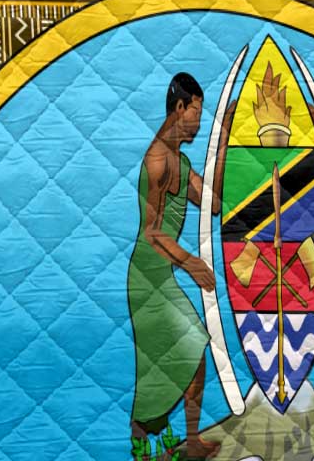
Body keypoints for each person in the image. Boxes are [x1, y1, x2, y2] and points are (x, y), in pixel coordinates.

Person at [127, 72, 229, 461]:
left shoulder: (180, 163)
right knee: (160, 363)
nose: (198, 123)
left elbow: (214, 203)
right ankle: (142, 444)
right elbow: (152, 232)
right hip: (146, 274)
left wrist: (220, 147)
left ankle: (189, 440)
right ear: (180, 107)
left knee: (191, 349)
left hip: (163, 274)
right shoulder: (156, 160)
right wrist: (191, 263)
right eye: (197, 113)